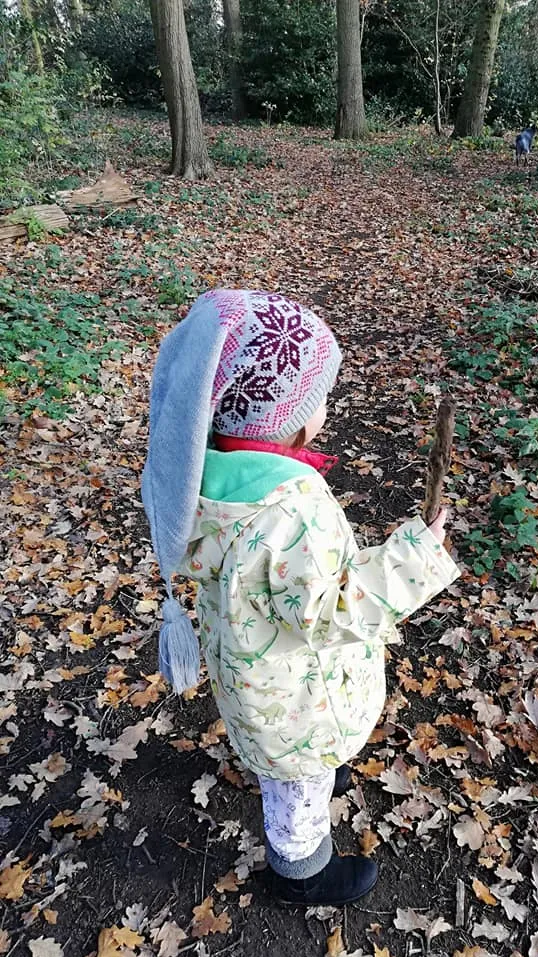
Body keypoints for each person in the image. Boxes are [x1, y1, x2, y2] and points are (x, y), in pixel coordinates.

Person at [142, 289, 460, 906]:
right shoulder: (288, 512)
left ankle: (300, 779)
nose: (324, 412)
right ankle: (301, 872)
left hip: (252, 671)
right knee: (299, 786)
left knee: (293, 764)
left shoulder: (199, 476)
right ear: (286, 420)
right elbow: (330, 609)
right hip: (296, 697)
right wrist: (414, 557)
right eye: (317, 401)